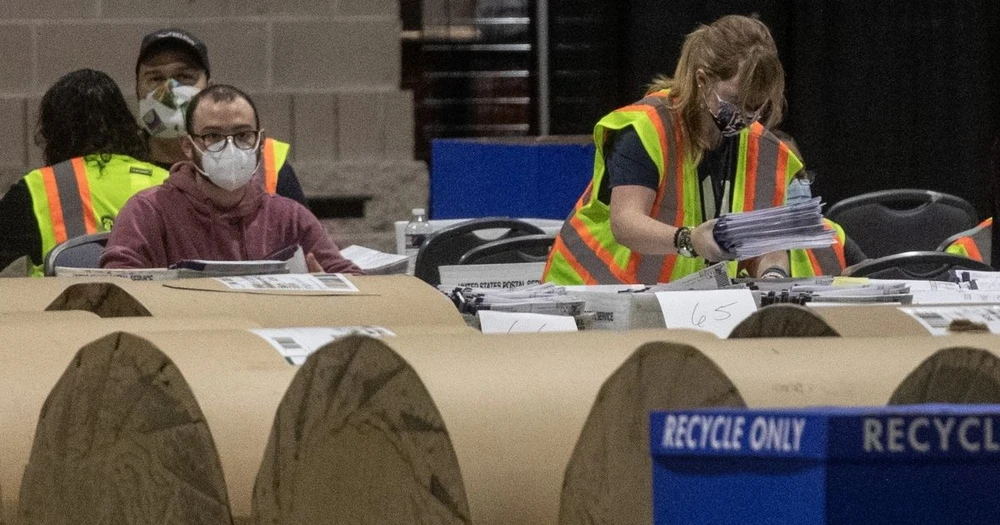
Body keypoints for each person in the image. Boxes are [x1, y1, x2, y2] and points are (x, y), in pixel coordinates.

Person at [543, 15, 807, 285]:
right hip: (589, 291)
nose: (745, 116)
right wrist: (689, 240)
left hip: (678, 302)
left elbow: (766, 244)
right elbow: (625, 223)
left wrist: (773, 275)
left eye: (756, 106)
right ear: (703, 80)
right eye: (735, 101)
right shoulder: (647, 129)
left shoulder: (763, 150)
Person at [100, 84, 361, 274]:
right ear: (188, 146)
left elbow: (352, 280)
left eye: (242, 135)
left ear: (259, 142)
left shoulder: (290, 218)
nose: (230, 147)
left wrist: (328, 289)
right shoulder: (147, 212)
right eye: (213, 136)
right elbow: (116, 291)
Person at [0, 69, 169, 276]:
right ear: (125, 123)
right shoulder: (167, 183)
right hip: (156, 307)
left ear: (53, 133)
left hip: (66, 307)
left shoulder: (38, 188)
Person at [135, 28, 307, 205]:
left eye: (184, 76)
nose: (169, 90)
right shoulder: (113, 161)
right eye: (155, 78)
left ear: (209, 89)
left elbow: (301, 230)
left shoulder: (263, 161)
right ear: (137, 89)